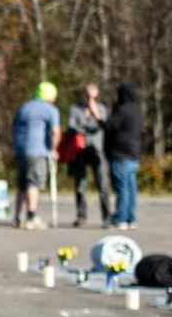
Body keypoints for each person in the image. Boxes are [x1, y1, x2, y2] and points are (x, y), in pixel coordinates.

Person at [11, 83, 61, 230]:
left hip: (21, 151)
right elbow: (56, 132)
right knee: (33, 183)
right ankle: (31, 217)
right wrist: (53, 149)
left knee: (22, 185)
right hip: (37, 151)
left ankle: (17, 217)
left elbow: (14, 127)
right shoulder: (51, 110)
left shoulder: (24, 107)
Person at [66, 84, 110, 228]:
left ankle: (106, 217)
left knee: (102, 184)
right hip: (80, 150)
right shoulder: (75, 109)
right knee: (80, 185)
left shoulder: (101, 108)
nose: (88, 98)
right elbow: (71, 127)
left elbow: (103, 125)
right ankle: (81, 215)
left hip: (97, 150)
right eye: (86, 94)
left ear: (96, 94)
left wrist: (93, 111)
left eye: (92, 95)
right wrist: (85, 123)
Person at [105, 82, 143, 230]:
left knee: (122, 187)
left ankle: (121, 218)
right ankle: (131, 218)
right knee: (131, 188)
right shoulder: (136, 110)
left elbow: (110, 126)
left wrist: (99, 118)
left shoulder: (122, 110)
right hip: (134, 153)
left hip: (120, 153)